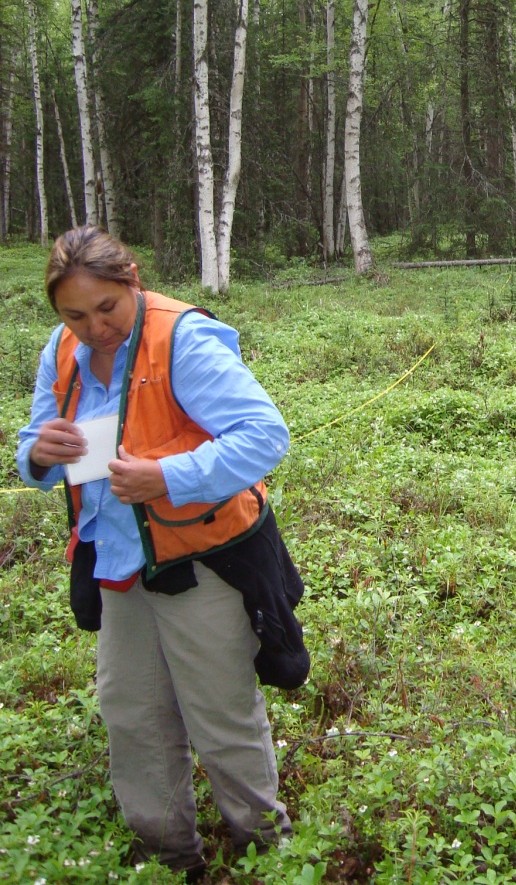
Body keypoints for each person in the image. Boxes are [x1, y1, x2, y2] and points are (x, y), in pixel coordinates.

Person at [17, 226, 309, 882]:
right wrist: (40, 455)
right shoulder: (61, 351)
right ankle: (168, 858)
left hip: (201, 561)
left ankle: (266, 851)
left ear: (133, 281)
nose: (94, 328)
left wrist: (167, 478)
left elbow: (264, 435)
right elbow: (34, 443)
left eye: (106, 309)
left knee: (221, 716)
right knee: (131, 716)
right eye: (75, 315)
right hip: (117, 564)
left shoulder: (182, 339)